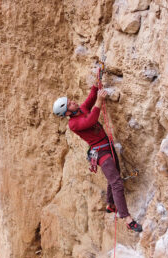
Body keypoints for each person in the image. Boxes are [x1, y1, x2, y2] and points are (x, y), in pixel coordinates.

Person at [52, 80, 142, 233]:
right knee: (116, 182)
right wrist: (100, 101)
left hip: (107, 147)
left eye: (71, 101)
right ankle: (127, 219)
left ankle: (110, 204)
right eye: (70, 104)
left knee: (113, 176)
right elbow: (91, 120)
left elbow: (91, 97)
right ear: (67, 113)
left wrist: (96, 82)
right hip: (101, 152)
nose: (73, 102)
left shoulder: (80, 109)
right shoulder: (73, 124)